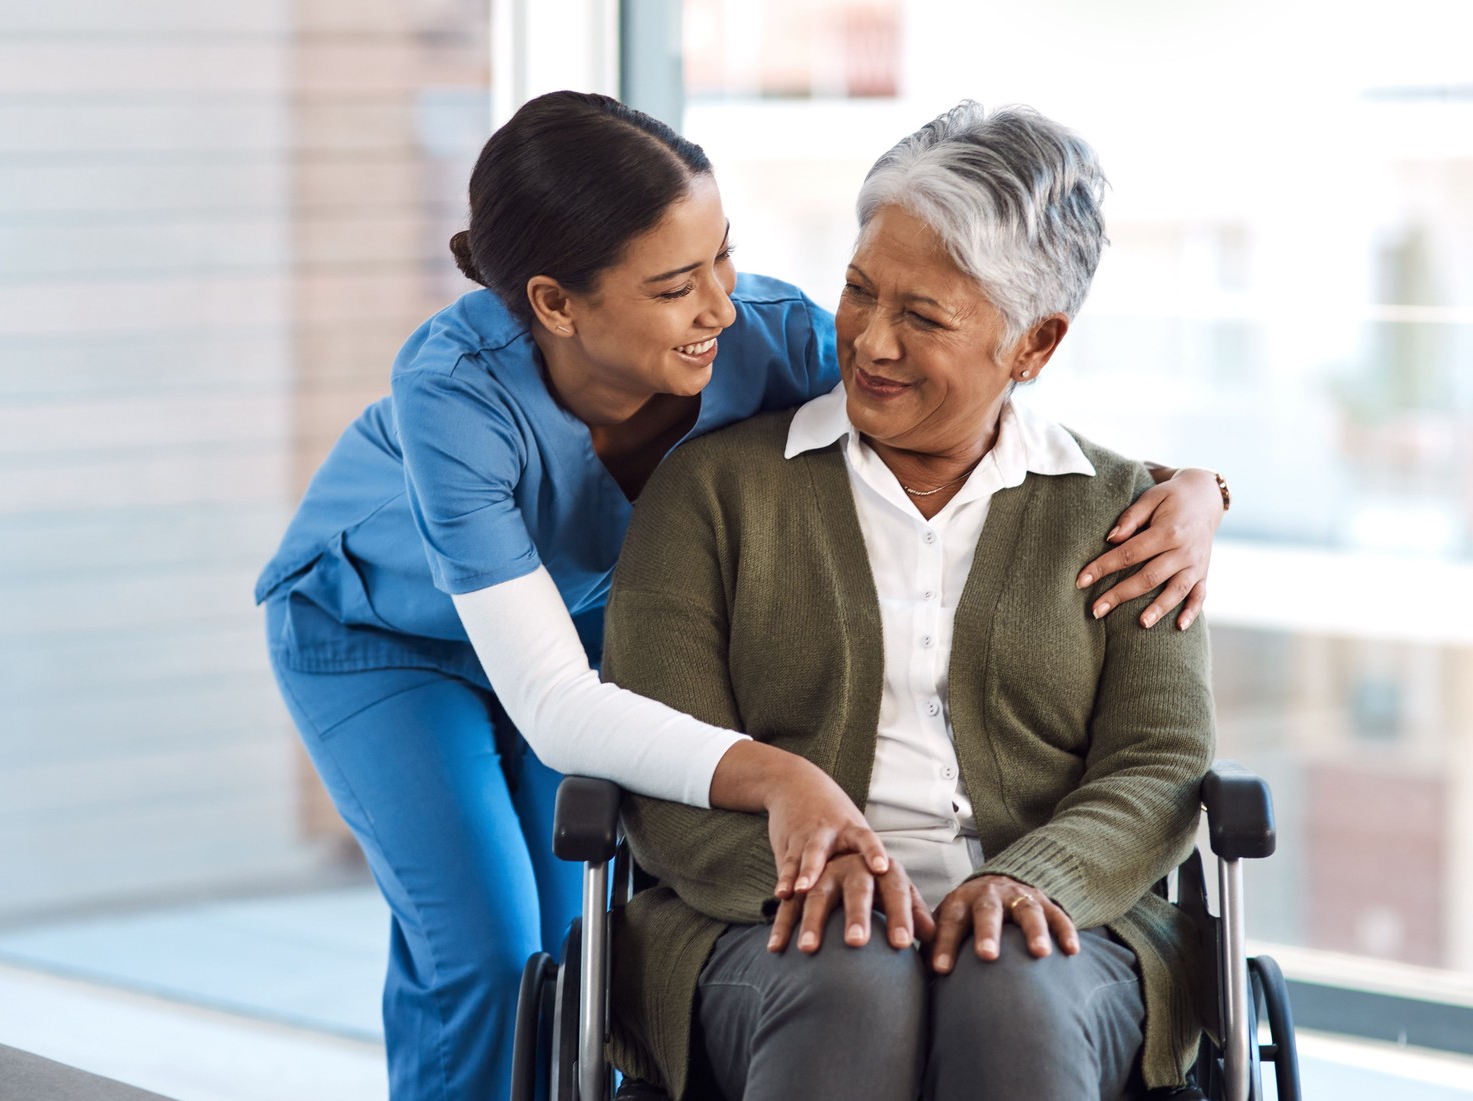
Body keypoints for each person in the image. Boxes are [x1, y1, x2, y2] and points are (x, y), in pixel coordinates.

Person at [253, 91, 1226, 1101]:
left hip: (570, 623)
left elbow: (995, 434)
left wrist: (1196, 491)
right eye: (679, 284)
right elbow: (557, 708)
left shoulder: (769, 339)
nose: (721, 304)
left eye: (725, 257)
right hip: (384, 637)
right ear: (556, 305)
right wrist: (781, 784)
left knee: (561, 949)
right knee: (487, 951)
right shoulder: (455, 394)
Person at [602, 101, 1216, 1101]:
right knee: (850, 971)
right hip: (763, 926)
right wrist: (810, 884)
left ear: (1034, 345)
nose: (872, 343)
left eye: (923, 316)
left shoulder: (1128, 520)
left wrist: (1033, 880)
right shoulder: (713, 493)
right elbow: (664, 748)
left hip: (1063, 934)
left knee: (1009, 980)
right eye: (858, 292)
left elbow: (1160, 761)